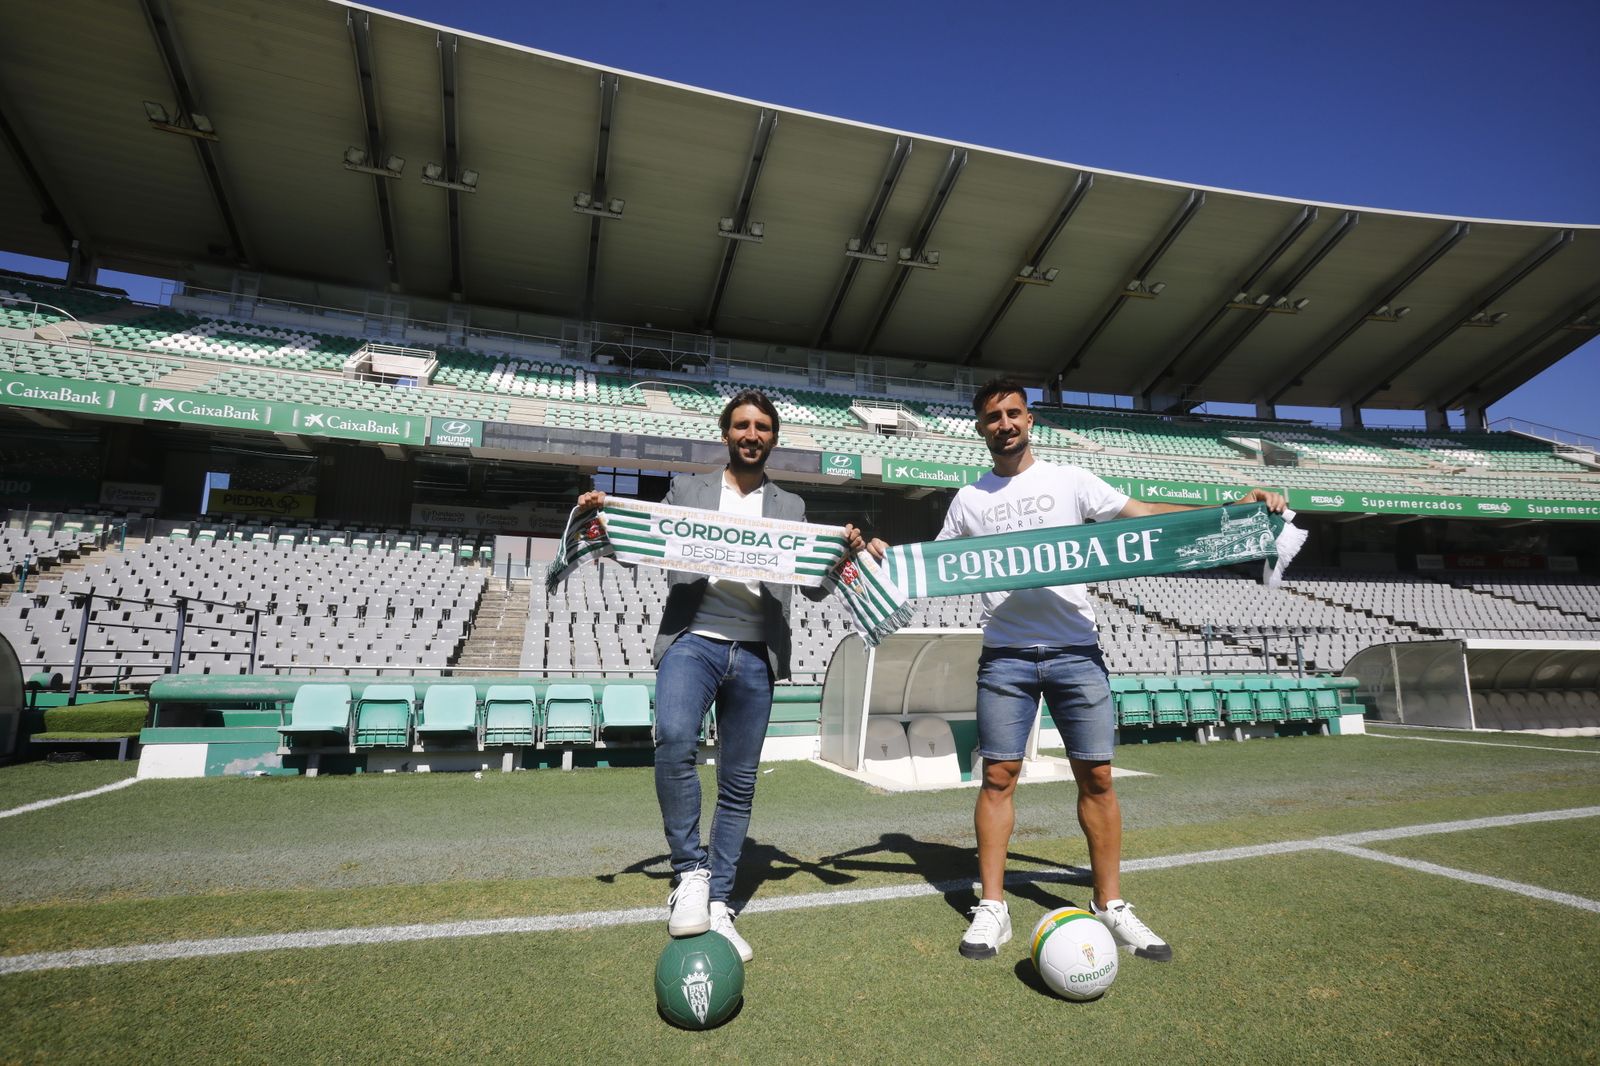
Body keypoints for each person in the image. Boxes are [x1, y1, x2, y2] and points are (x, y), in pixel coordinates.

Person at [940, 378, 1286, 962]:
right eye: (993, 416)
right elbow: (936, 562)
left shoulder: (1070, 480)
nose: (1005, 424)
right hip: (1005, 654)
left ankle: (1110, 902)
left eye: (1014, 413)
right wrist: (877, 556)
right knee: (998, 777)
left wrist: (1232, 511)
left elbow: (1146, 516)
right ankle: (992, 906)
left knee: (1097, 777)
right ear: (980, 428)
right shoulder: (968, 499)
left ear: (1031, 420)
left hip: (1076, 649)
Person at [577, 389, 872, 964]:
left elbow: (811, 585)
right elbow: (643, 539)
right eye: (742, 425)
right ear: (726, 434)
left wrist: (843, 549)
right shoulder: (688, 490)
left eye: (762, 427)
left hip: (757, 654)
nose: (752, 434)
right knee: (675, 744)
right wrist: (601, 516)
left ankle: (719, 902)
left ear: (773, 438)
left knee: (739, 783)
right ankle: (690, 871)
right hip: (693, 642)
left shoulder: (790, 506)